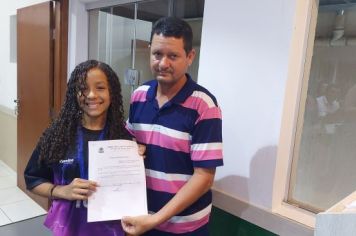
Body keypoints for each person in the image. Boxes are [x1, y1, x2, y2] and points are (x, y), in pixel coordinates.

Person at [122, 17, 223, 235]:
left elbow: (204, 177)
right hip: (141, 217)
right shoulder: (138, 96)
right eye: (157, 54)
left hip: (184, 227)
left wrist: (156, 219)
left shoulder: (204, 105)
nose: (163, 63)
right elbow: (130, 144)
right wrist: (132, 149)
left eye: (173, 56)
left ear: (190, 57)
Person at [24, 60, 133, 236]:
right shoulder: (57, 135)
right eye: (83, 88)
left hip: (112, 230)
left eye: (100, 88)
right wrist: (61, 191)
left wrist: (136, 156)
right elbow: (32, 179)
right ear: (74, 94)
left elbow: (132, 192)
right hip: (68, 228)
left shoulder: (125, 139)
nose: (91, 95)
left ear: (111, 92)